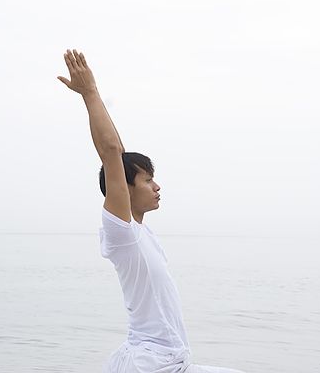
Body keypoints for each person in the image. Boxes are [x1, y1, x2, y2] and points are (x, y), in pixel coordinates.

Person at [58, 48, 246, 373]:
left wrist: (121, 157)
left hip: (170, 360)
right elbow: (112, 153)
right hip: (151, 364)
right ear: (125, 190)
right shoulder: (122, 234)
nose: (157, 187)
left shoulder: (138, 230)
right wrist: (90, 93)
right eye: (148, 180)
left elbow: (121, 154)